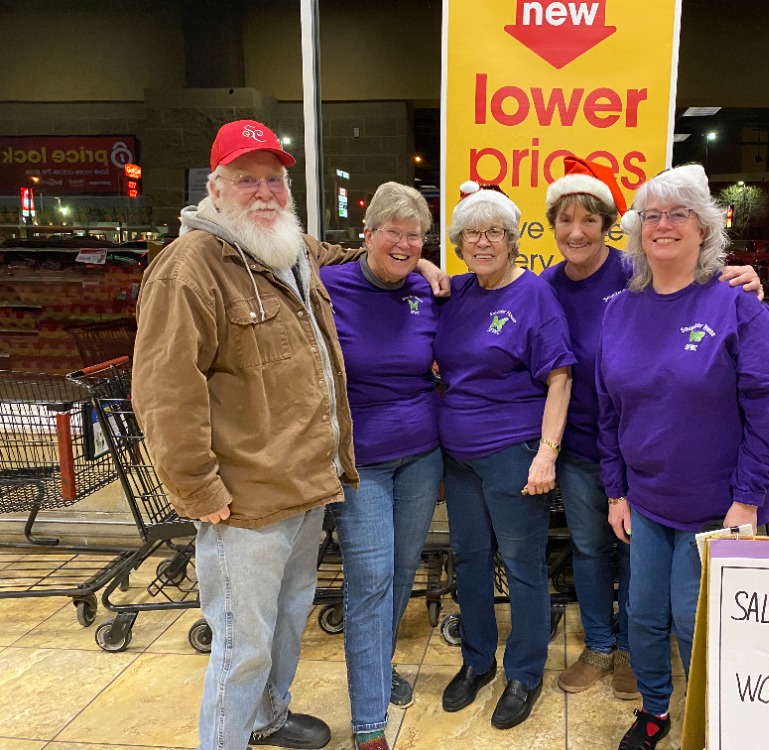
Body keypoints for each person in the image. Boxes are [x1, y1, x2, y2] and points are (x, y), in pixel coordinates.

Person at [131, 120, 446, 750]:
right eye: (247, 180)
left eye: (274, 178)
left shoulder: (286, 250)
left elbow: (350, 256)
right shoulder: (190, 267)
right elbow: (166, 390)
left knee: (286, 620)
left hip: (304, 486)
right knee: (241, 644)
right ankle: (228, 735)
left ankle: (268, 717)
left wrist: (417, 256)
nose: (264, 191)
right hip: (242, 499)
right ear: (216, 187)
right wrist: (198, 490)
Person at [541, 157, 764, 700]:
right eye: (564, 220)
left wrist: (741, 279)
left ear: (611, 225)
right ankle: (603, 645)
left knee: (645, 567)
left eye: (588, 219)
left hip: (662, 459)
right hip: (585, 444)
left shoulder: (635, 271)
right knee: (592, 550)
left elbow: (696, 285)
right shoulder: (544, 286)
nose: (576, 231)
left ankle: (637, 657)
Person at [596, 165, 769, 750]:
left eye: (678, 214)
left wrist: (747, 498)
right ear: (637, 231)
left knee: (697, 621)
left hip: (719, 507)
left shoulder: (737, 306)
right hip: (647, 500)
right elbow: (609, 411)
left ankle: (712, 719)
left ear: (704, 229)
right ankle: (656, 712)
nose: (663, 226)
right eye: (651, 216)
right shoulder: (618, 310)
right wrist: (616, 490)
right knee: (642, 616)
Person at [433, 182, 576, 730]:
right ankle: (477, 662)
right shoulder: (458, 291)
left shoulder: (534, 295)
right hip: (459, 457)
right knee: (469, 560)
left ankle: (524, 672)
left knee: (522, 567)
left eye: (495, 231)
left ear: (513, 239)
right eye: (473, 232)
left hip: (515, 453)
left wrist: (546, 455)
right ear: (460, 242)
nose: (484, 242)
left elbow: (560, 378)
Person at [318, 182, 442, 750]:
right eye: (392, 232)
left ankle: (379, 664)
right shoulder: (328, 283)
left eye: (414, 235)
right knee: (370, 581)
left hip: (421, 454)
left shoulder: (426, 286)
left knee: (399, 569)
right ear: (366, 236)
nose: (403, 243)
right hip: (359, 462)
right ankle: (369, 725)